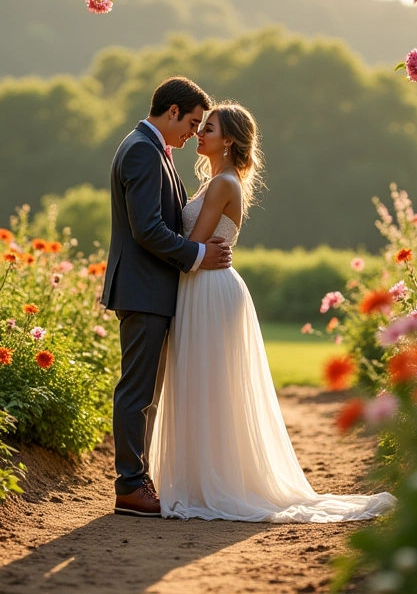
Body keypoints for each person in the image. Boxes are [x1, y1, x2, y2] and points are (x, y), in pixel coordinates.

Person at [148, 101, 396, 522]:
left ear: (228, 140)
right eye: (200, 126)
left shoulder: (225, 183)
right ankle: (197, 479)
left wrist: (152, 230)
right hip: (198, 285)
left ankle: (214, 483)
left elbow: (195, 237)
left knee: (208, 384)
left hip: (209, 289)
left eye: (208, 128)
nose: (200, 134)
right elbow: (193, 243)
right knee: (197, 382)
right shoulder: (214, 182)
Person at [102, 77, 232, 518]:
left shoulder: (153, 149)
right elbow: (147, 229)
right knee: (136, 391)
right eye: (193, 123)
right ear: (172, 111)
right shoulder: (142, 149)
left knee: (144, 391)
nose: (194, 133)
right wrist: (197, 253)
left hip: (152, 287)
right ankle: (130, 486)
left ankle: (137, 478)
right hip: (143, 288)